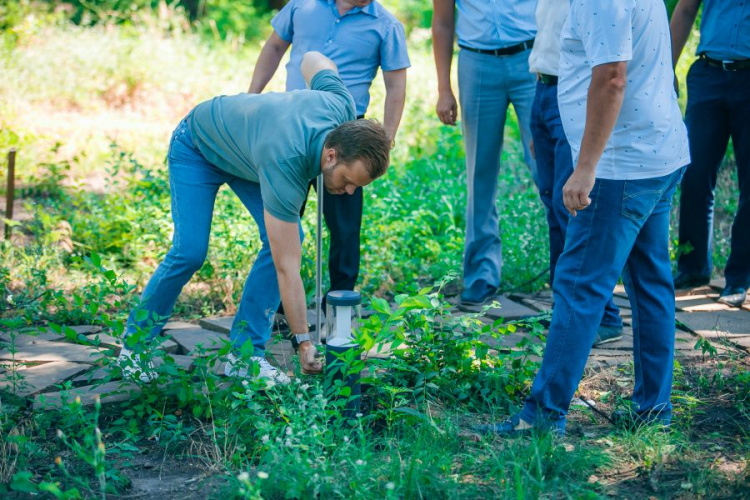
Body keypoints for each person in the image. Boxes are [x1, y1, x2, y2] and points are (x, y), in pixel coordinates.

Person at [478, 0, 690, 436]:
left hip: (620, 166)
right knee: (651, 284)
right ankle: (653, 410)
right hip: (657, 153)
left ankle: (542, 417)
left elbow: (612, 78)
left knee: (578, 286)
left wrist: (587, 166)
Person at [119, 52, 391, 385]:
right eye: (348, 181)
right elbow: (286, 267)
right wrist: (303, 341)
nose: (349, 192)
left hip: (249, 154)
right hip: (198, 146)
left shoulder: (341, 107)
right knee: (190, 251)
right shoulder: (286, 160)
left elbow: (314, 59)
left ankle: (243, 356)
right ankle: (135, 345)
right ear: (331, 155)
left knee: (287, 241)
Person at [248, 0, 409, 317]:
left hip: (349, 135)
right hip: (292, 128)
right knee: (283, 218)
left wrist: (384, 142)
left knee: (345, 226)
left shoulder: (387, 26)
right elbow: (274, 48)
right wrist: (252, 97)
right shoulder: (302, 6)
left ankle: (339, 308)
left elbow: (396, 85)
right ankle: (279, 304)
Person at [528, 0, 623, 346]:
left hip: (574, 94)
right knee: (554, 206)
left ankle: (605, 315)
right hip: (543, 90)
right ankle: (563, 309)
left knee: (572, 208)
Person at [431, 0, 537, 307]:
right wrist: (443, 88)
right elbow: (442, 22)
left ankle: (568, 272)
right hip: (477, 63)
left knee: (547, 167)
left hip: (531, 58)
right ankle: (481, 273)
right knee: (480, 171)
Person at [671, 0, 750, 307]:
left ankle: (739, 277)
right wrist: (665, 67)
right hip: (708, 74)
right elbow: (686, 8)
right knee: (693, 172)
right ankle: (692, 267)